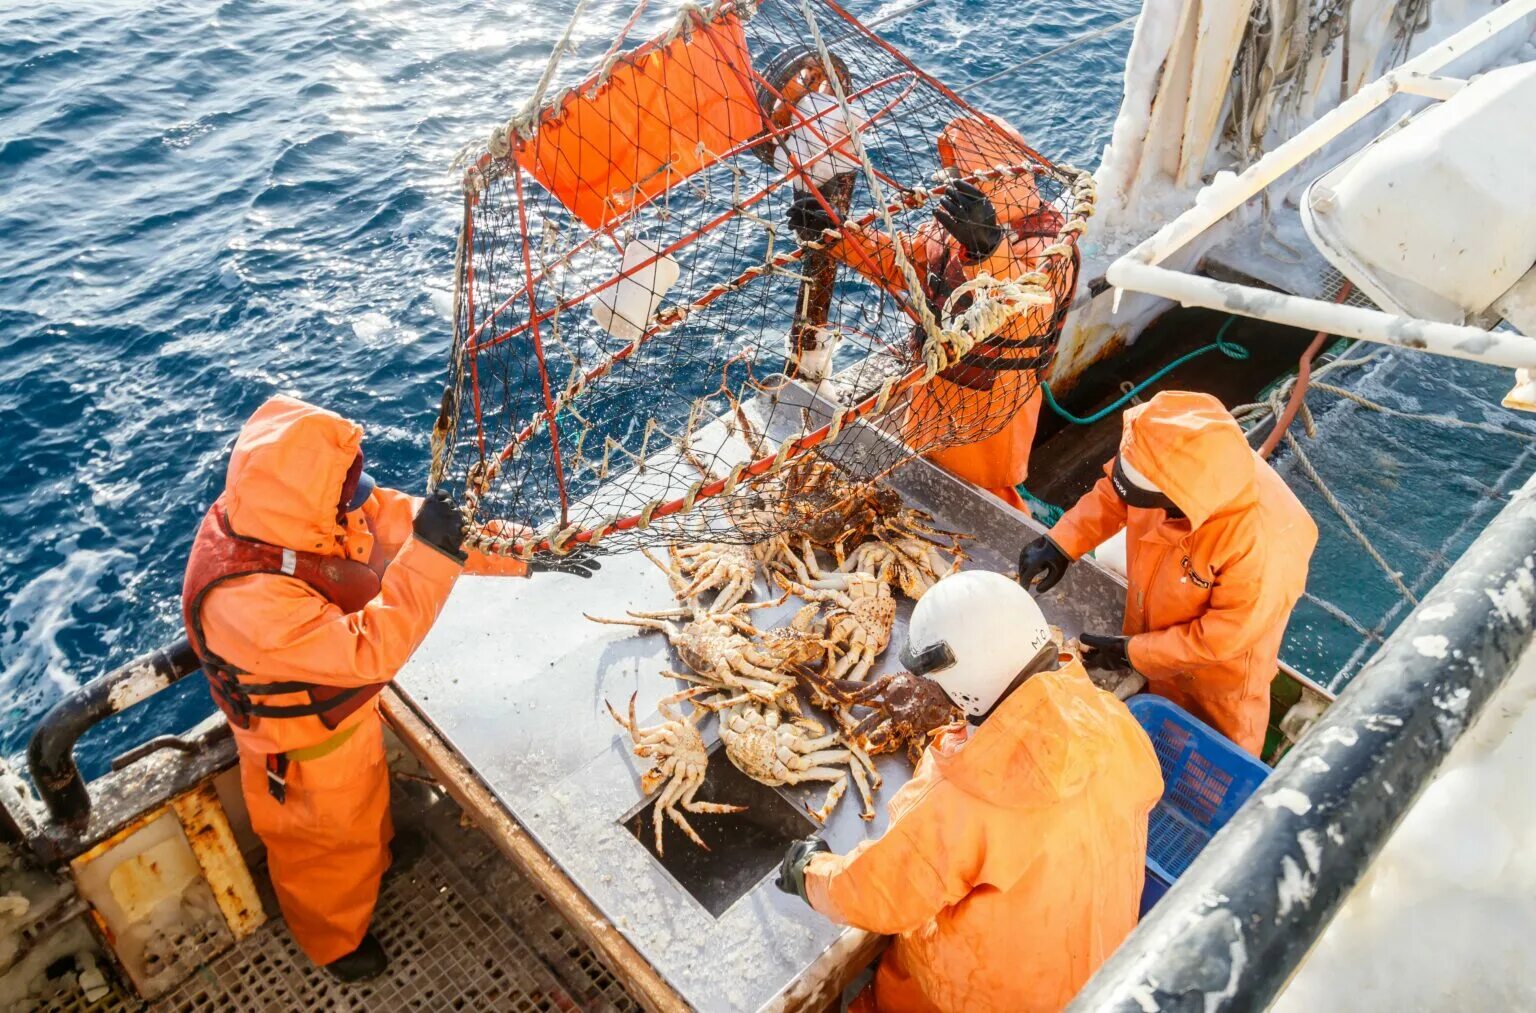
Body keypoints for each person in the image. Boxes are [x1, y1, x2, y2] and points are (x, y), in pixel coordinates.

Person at [181, 395, 597, 981]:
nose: (359, 504)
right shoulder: (247, 603)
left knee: (367, 814)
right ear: (311, 506)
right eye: (346, 496)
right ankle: (333, 943)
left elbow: (402, 528)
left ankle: (376, 862)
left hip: (347, 728)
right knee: (324, 855)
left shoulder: (292, 507)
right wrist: (430, 554)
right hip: (300, 757)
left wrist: (528, 554)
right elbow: (371, 647)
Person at [776, 570, 1163, 1012]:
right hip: (1103, 977)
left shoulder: (966, 793)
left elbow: (878, 894)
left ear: (961, 683)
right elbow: (1146, 788)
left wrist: (810, 873)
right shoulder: (1110, 718)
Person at [787, 116, 1076, 511]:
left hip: (992, 407)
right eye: (955, 171)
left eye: (965, 172)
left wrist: (988, 249)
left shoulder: (1050, 245)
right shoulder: (955, 225)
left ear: (1003, 173)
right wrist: (836, 235)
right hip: (932, 387)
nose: (956, 179)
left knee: (988, 498)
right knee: (922, 477)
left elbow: (1030, 306)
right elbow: (899, 260)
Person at [1018, 390, 1318, 756]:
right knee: (1140, 739)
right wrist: (1062, 543)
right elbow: (1116, 494)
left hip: (1216, 682)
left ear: (1180, 502)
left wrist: (1134, 654)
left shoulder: (1266, 546)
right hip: (1151, 634)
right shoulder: (1162, 448)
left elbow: (1219, 639)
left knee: (1211, 759)